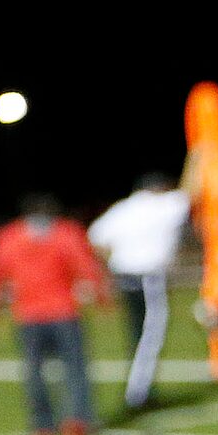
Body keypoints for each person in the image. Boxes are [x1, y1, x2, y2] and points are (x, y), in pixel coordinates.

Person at [0, 192, 110, 435]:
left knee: (34, 372)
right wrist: (102, 297)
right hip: (63, 312)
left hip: (28, 316)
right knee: (74, 369)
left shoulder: (8, 236)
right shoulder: (65, 232)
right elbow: (86, 265)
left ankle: (43, 427)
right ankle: (78, 420)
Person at [87, 171, 191, 411]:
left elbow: (95, 237)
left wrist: (115, 261)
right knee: (150, 336)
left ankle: (141, 389)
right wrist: (198, 157)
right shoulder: (160, 205)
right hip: (148, 279)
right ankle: (137, 395)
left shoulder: (123, 208)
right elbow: (189, 193)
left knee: (138, 334)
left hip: (125, 277)